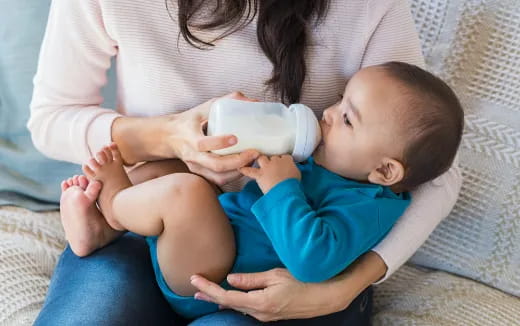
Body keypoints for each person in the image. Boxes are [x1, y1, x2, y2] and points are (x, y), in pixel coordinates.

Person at [28, 0, 462, 325]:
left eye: (345, 113)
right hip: (157, 227)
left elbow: (430, 168)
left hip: (277, 273)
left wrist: (342, 288)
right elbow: (51, 117)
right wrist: (169, 135)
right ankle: (110, 218)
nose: (327, 113)